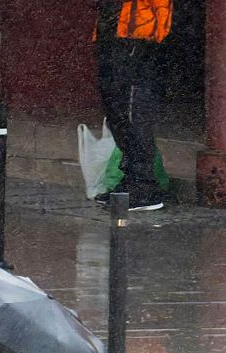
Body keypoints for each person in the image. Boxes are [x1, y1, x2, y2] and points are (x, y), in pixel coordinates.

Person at [93, 0, 172, 212]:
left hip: (137, 35)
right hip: (112, 31)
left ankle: (144, 185)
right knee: (116, 111)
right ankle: (132, 179)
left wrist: (155, 35)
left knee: (132, 112)